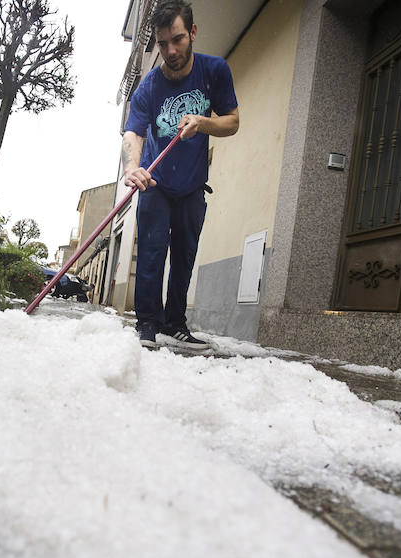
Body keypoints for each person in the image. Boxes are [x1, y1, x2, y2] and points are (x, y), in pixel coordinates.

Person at [122, 0, 239, 349]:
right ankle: (147, 324)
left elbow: (232, 121)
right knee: (152, 254)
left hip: (192, 184)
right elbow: (134, 133)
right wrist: (133, 168)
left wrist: (204, 122)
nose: (171, 50)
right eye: (162, 43)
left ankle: (175, 323)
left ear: (193, 33)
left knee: (184, 256)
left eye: (177, 39)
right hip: (155, 183)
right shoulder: (149, 86)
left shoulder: (214, 71)